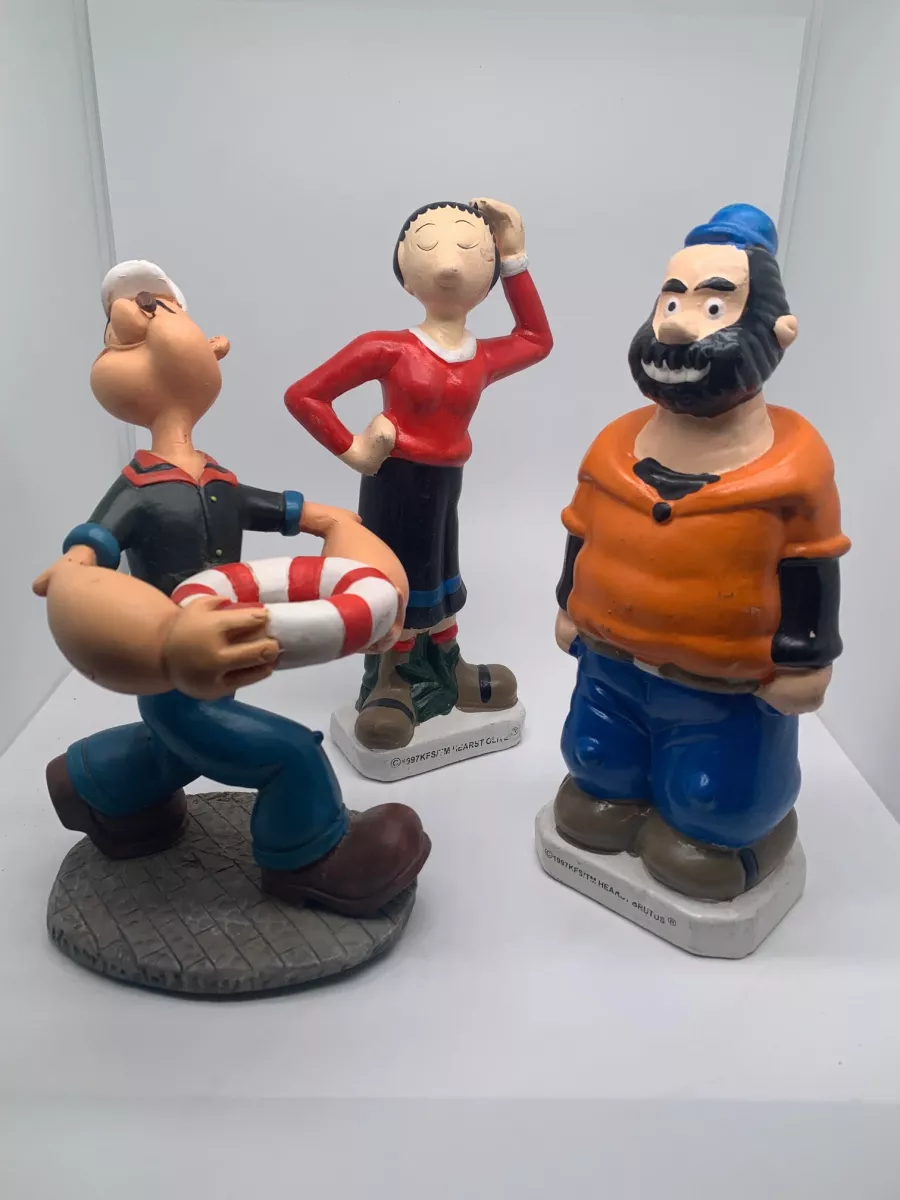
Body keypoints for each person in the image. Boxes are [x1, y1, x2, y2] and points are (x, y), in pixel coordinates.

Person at [35, 260, 430, 916]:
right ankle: (308, 858)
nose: (136, 320)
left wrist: (342, 532)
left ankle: (97, 787)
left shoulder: (218, 480)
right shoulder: (139, 486)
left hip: (221, 658)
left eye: (157, 314)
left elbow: (289, 512)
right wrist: (75, 565)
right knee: (286, 753)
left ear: (215, 350)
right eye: (120, 335)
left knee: (178, 754)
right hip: (172, 668)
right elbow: (99, 538)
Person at [554, 205, 850, 901]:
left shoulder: (794, 470)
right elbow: (581, 528)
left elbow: (811, 566)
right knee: (593, 769)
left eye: (713, 306)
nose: (678, 326)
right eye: (671, 302)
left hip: (725, 694)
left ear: (778, 332)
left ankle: (734, 832)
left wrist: (805, 659)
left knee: (713, 809)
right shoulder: (613, 447)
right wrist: (568, 604)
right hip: (610, 668)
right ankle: (620, 791)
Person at [285, 198, 553, 751]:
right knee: (400, 575)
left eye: (470, 248)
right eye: (429, 246)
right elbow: (305, 395)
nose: (450, 262)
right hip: (398, 483)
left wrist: (515, 258)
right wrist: (356, 452)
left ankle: (446, 662)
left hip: (446, 484)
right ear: (406, 275)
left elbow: (536, 339)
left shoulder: (480, 356)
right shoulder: (387, 347)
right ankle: (391, 678)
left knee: (441, 570)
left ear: (487, 281)